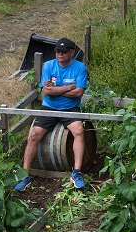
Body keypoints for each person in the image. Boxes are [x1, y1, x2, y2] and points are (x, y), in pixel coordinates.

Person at [15, 37, 88, 191]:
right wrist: (69, 87)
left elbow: (79, 93)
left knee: (79, 131)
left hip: (70, 109)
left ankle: (76, 173)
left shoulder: (80, 67)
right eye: (57, 51)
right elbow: (46, 91)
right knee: (34, 135)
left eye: (63, 51)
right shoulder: (48, 65)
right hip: (49, 107)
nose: (59, 54)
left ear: (71, 52)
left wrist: (56, 90)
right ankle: (24, 175)